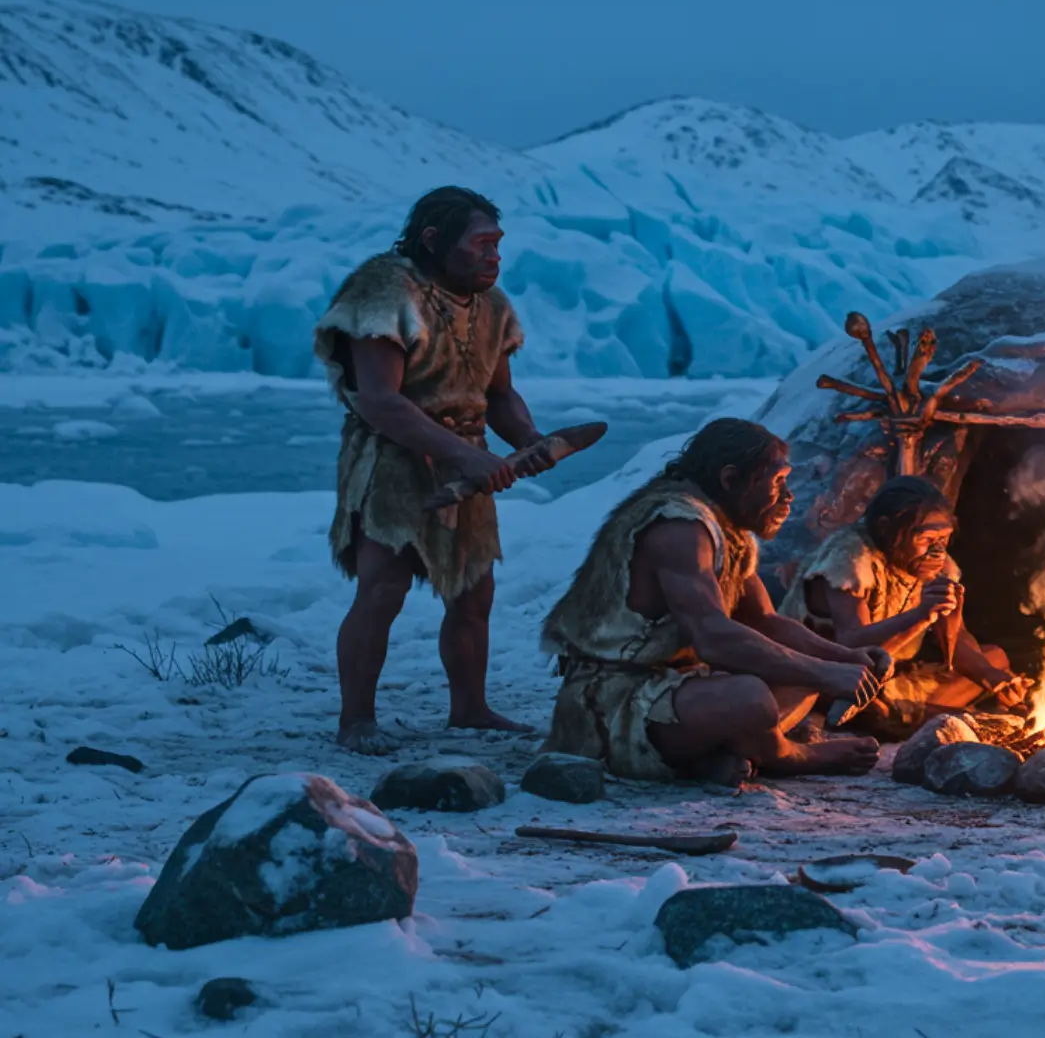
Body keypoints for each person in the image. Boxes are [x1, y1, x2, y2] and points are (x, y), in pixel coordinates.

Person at [314, 186, 551, 755]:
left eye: (498, 244)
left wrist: (529, 439)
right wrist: (466, 455)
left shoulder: (489, 305)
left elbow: (500, 395)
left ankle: (469, 709)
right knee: (383, 586)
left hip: (467, 463)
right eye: (481, 244)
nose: (495, 256)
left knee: (473, 591)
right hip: (392, 459)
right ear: (433, 241)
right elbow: (379, 400)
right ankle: (356, 721)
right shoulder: (383, 291)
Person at [539, 419, 891, 785]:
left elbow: (763, 620)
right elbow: (714, 638)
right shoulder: (679, 527)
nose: (789, 497)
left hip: (680, 688)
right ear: (729, 479)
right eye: (777, 482)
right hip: (613, 704)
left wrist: (846, 658)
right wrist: (825, 672)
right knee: (749, 697)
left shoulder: (727, 525)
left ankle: (714, 756)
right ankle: (786, 754)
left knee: (797, 673)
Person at [778, 475, 1030, 735]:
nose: (937, 550)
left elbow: (959, 637)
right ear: (888, 529)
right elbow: (852, 647)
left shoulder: (934, 563)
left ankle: (929, 716)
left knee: (995, 658)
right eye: (927, 539)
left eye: (943, 539)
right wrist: (921, 615)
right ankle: (958, 722)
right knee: (875, 707)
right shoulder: (850, 558)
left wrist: (991, 678)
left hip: (891, 678)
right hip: (833, 677)